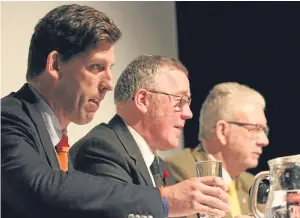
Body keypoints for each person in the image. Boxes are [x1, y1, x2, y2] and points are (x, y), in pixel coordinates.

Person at [1, 4, 225, 218]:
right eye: (96, 67)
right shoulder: (8, 117)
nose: (109, 83)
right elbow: (41, 188)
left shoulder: (57, 140)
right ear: (56, 64)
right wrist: (163, 200)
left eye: (110, 69)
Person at [70, 54, 230, 218]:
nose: (188, 114)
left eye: (188, 102)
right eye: (179, 102)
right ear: (143, 100)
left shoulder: (159, 166)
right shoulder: (101, 149)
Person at [165, 82, 270, 218]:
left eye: (264, 130)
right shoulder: (179, 170)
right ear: (222, 131)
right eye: (255, 129)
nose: (264, 141)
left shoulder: (251, 183)